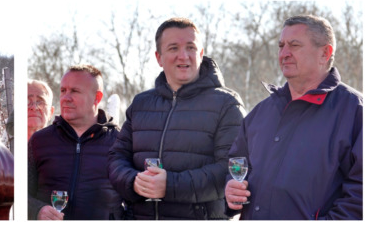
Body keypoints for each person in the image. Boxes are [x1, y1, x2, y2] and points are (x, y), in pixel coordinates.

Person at [225, 15, 361, 219]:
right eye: (281, 45)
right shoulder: (260, 112)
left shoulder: (356, 111)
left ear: (325, 53)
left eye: (294, 45)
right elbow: (236, 165)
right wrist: (230, 190)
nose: (284, 53)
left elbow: (364, 194)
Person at [108, 18, 244, 219]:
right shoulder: (140, 104)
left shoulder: (226, 104)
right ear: (159, 57)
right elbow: (116, 158)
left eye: (191, 47)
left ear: (200, 53)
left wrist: (170, 185)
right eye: (173, 48)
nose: (184, 56)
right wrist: (133, 181)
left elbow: (231, 169)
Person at [27, 65, 121, 220]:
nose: (65, 98)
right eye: (63, 91)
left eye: (75, 91)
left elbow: (135, 201)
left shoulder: (120, 142)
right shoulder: (39, 141)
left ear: (97, 97)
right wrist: (37, 210)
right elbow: (19, 194)